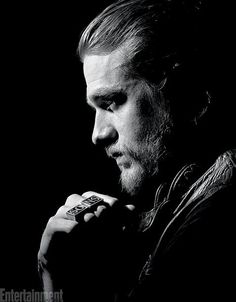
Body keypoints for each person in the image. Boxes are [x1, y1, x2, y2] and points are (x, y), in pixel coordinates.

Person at [38, 0, 235, 301]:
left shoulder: (212, 219)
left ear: (185, 95)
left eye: (112, 102)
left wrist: (58, 283)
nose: (97, 134)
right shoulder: (179, 203)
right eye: (95, 109)